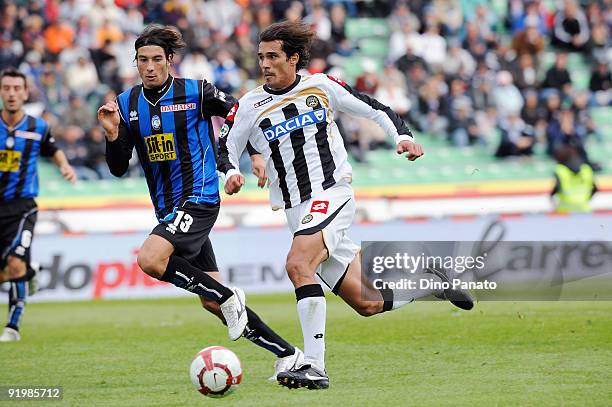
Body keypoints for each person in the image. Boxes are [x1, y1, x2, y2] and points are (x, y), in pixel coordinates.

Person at [218, 21, 474, 390]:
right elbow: (225, 145)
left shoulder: (320, 86)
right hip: (295, 210)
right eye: (261, 57)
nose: (265, 64)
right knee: (366, 302)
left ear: (293, 59)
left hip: (331, 193)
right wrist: (229, 172)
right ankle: (429, 284)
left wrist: (401, 136)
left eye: (273, 56)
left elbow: (374, 108)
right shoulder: (249, 105)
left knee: (297, 264)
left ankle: (314, 366)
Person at [97, 25, 302, 379]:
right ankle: (289, 355)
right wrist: (113, 134)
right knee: (211, 299)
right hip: (169, 210)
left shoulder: (197, 91)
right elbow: (118, 167)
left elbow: (239, 115)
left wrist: (253, 154)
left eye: (157, 59)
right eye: (142, 60)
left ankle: (227, 297)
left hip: (200, 197)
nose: (149, 67)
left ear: (170, 60)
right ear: (135, 62)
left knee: (150, 258)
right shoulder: (127, 104)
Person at [0, 68, 77, 342]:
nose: (11, 94)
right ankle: (29, 274)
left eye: (16, 88)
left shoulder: (37, 127)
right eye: (6, 88)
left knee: (15, 263)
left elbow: (52, 148)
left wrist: (65, 166)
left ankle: (12, 328)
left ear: (24, 92)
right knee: (10, 271)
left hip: (22, 207)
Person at [551, 145, 597, 213]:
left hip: (564, 209)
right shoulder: (586, 169)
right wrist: (585, 199)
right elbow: (595, 189)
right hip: (584, 208)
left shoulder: (560, 170)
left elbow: (557, 189)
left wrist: (551, 199)